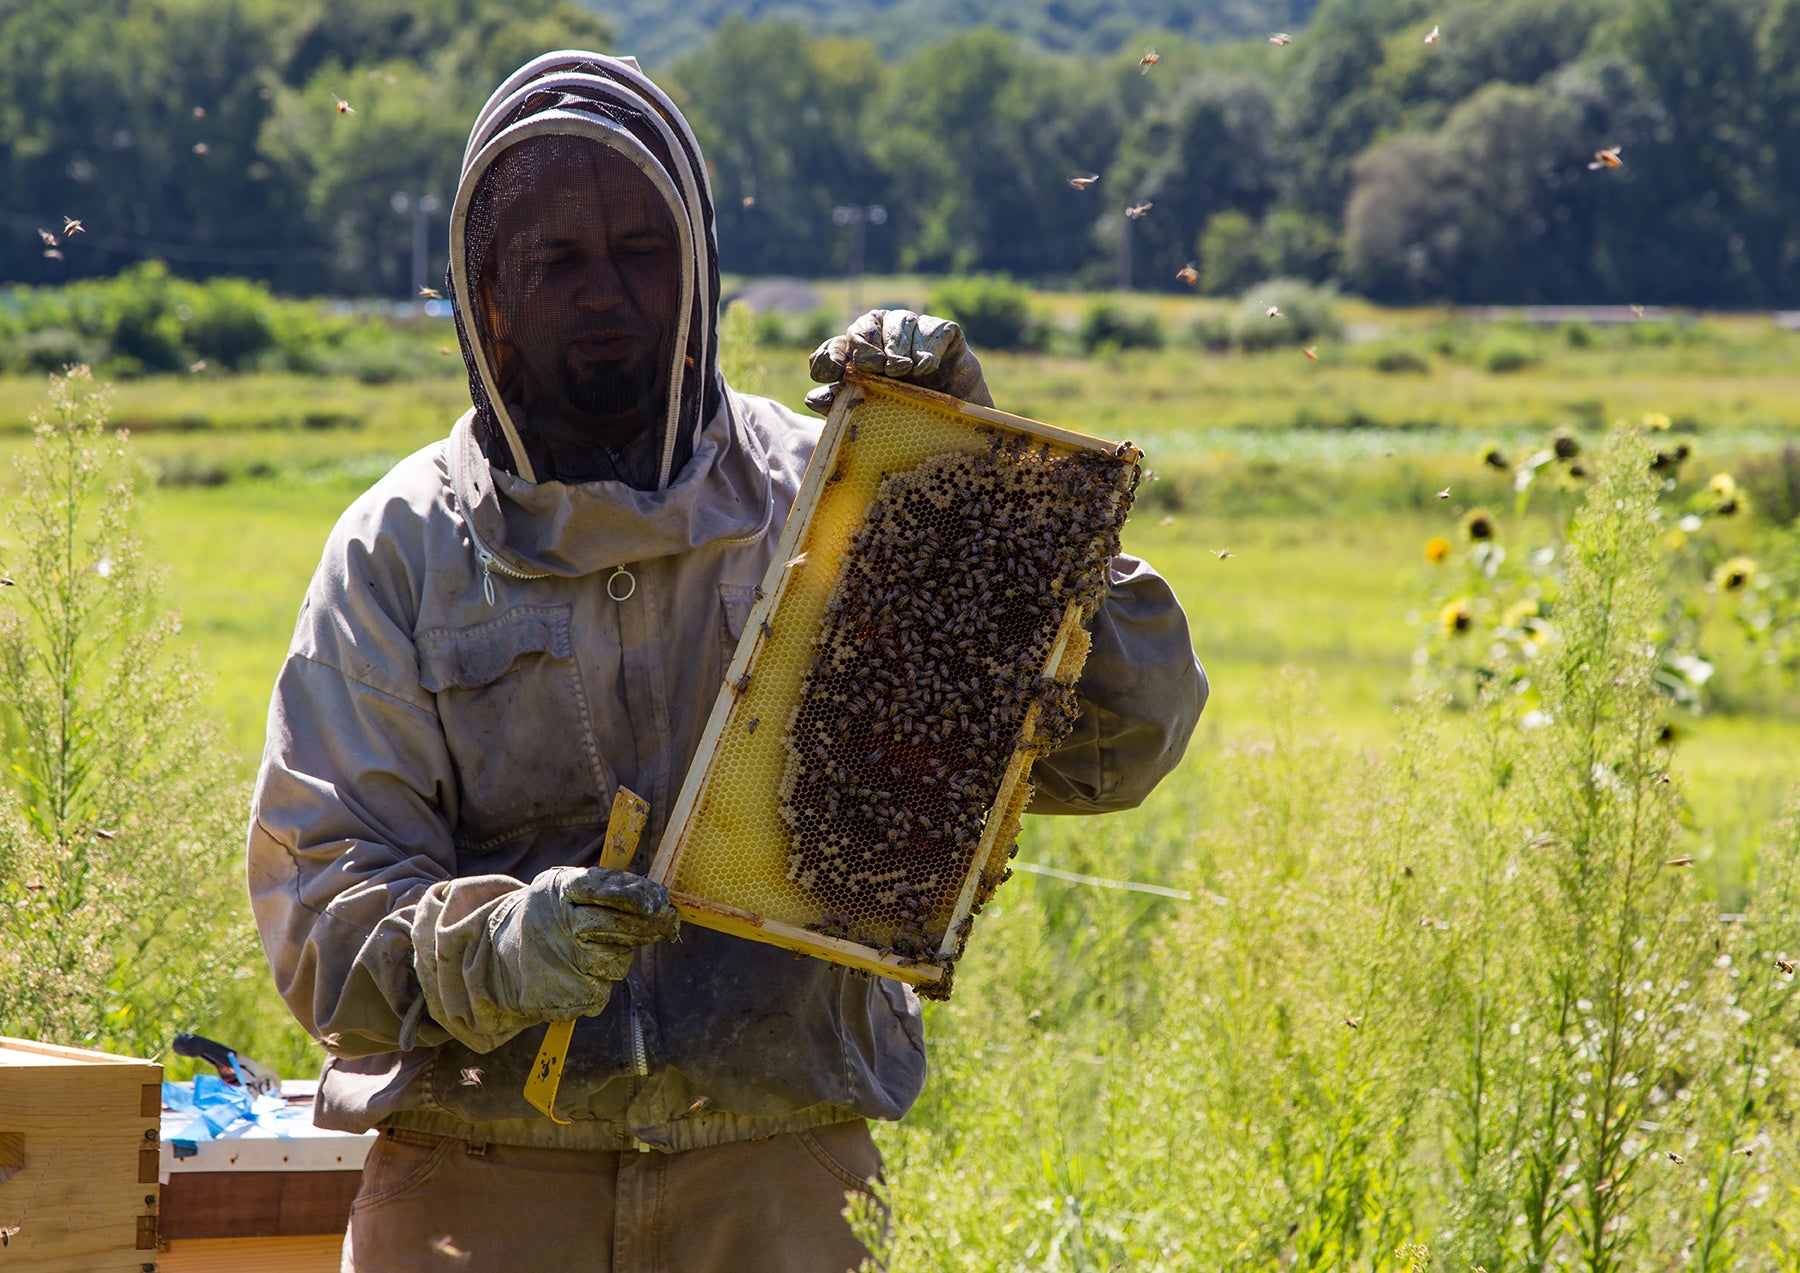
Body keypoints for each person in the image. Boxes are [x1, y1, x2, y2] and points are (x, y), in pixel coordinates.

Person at [247, 51, 1207, 1272]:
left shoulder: (834, 495)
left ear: (700, 267)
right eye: (558, 259)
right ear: (489, 294)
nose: (605, 293)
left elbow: (1124, 741)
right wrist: (498, 948)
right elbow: (319, 911)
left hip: (777, 1177)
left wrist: (984, 489)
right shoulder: (403, 548)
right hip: (484, 1179)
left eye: (641, 251)